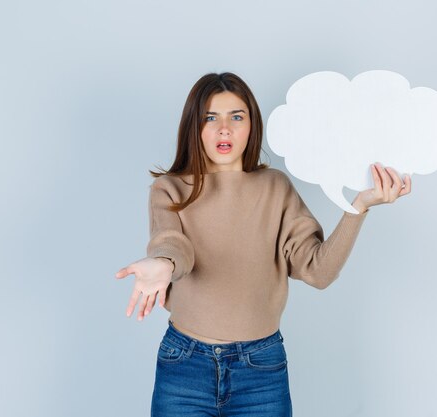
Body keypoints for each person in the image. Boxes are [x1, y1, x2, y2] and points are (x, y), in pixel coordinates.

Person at [115, 72, 412, 416]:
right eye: (210, 118)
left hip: (260, 371)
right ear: (193, 127)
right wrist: (163, 263)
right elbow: (173, 244)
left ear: (251, 126)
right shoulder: (170, 189)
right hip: (185, 365)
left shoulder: (275, 188)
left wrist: (358, 207)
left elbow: (318, 271)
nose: (224, 128)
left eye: (236, 117)